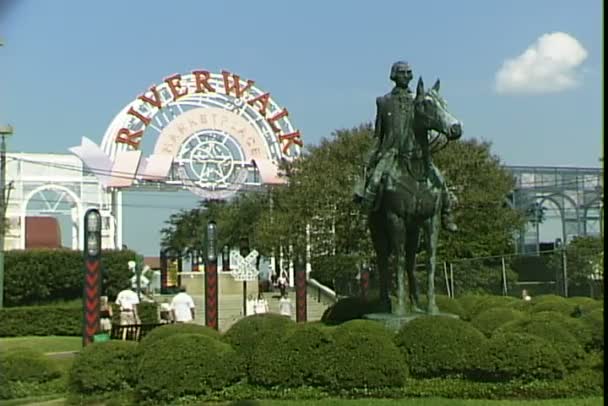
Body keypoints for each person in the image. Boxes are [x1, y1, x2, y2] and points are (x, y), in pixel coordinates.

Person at [353, 61, 457, 232]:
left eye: (409, 72)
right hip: (390, 151)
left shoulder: (418, 100)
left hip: (415, 152)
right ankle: (364, 216)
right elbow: (379, 133)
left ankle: (447, 213)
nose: (406, 76)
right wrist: (371, 155)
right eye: (402, 72)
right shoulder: (383, 101)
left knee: (438, 175)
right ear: (394, 75)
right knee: (375, 178)